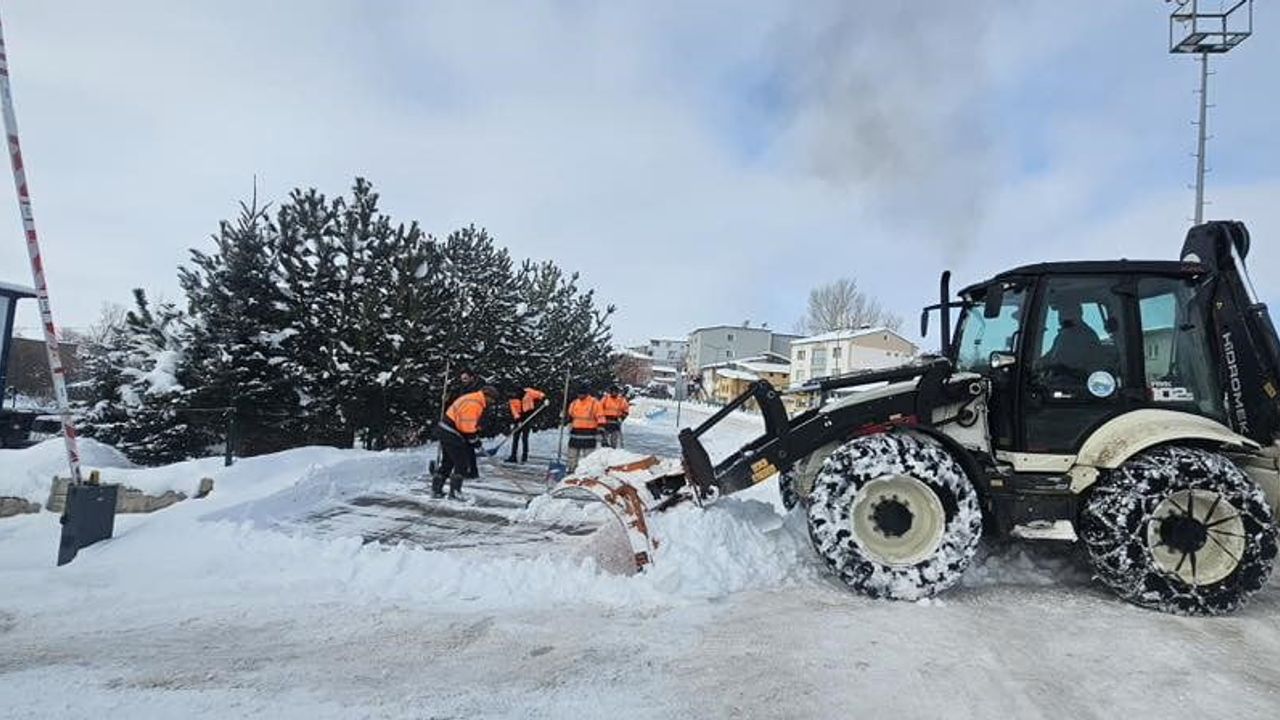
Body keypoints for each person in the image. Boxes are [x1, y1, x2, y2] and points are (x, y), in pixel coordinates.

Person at [432, 385, 499, 499]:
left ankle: (437, 490)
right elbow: (467, 427)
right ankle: (455, 493)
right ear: (487, 396)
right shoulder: (474, 403)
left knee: (447, 463)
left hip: (446, 431)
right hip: (451, 433)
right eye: (492, 400)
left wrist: (473, 437)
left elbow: (466, 424)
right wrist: (474, 440)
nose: (491, 403)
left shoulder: (473, 398)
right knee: (461, 464)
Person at [565, 385, 606, 473]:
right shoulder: (574, 403)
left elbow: (600, 417)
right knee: (572, 454)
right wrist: (568, 423)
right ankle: (571, 469)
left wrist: (600, 430)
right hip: (576, 433)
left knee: (588, 455)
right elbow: (570, 416)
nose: (580, 396)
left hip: (589, 433)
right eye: (579, 394)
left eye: (582, 394)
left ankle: (587, 471)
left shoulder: (595, 403)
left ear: (587, 394)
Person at [506, 384, 547, 463]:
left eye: (515, 393)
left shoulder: (529, 392)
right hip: (519, 418)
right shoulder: (512, 399)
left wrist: (545, 399)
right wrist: (518, 420)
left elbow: (539, 394)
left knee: (525, 438)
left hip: (528, 416)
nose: (513, 395)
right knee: (515, 437)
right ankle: (513, 456)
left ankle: (524, 457)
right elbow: (514, 411)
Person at [600, 385, 631, 449]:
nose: (614, 393)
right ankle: (604, 448)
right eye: (613, 392)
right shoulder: (605, 399)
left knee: (614, 437)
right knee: (605, 436)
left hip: (616, 421)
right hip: (606, 421)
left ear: (617, 392)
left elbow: (626, 410)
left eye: (615, 392)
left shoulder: (621, 400)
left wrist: (622, 417)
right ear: (610, 392)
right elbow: (599, 408)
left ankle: (613, 449)